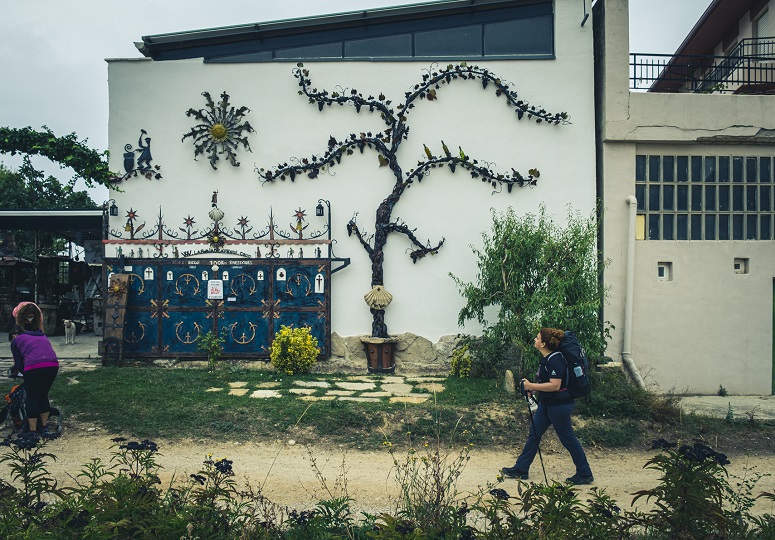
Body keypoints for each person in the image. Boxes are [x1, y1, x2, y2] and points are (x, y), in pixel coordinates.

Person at [502, 327, 594, 485]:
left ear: (543, 344)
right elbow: (548, 384)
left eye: (537, 338)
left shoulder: (556, 359)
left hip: (559, 406)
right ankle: (521, 468)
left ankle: (584, 473)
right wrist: (533, 389)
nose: (535, 340)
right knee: (534, 434)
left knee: (568, 439)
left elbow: (555, 385)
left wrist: (532, 386)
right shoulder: (548, 358)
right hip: (548, 404)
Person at [9, 302, 59, 438]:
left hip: (34, 366)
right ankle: (44, 428)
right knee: (42, 395)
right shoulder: (42, 336)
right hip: (52, 365)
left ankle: (32, 431)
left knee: (31, 396)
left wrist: (22, 374)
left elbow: (19, 363)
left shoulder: (16, 340)